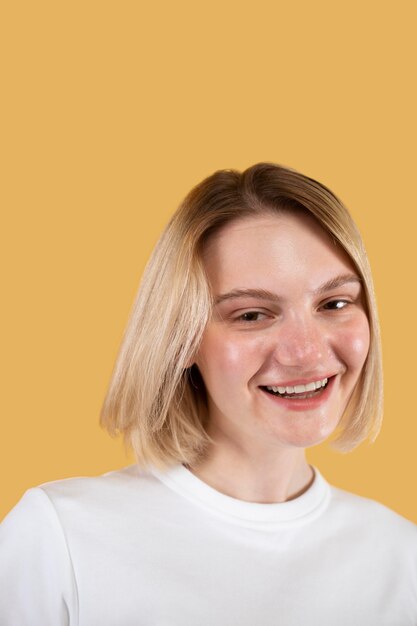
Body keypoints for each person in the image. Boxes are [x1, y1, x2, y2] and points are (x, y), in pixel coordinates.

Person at [1, 163, 416, 625]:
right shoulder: (60, 539)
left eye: (334, 304)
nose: (306, 351)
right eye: (252, 315)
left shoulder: (403, 559)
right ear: (181, 340)